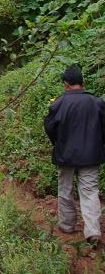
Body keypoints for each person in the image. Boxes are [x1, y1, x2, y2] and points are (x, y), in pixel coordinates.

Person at [44, 66, 105, 245]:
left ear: (66, 84)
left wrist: (58, 143)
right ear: (82, 82)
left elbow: (49, 128)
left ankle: (67, 225)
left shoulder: (58, 104)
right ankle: (93, 232)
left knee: (65, 190)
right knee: (90, 191)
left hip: (65, 156)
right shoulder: (97, 102)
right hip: (91, 155)